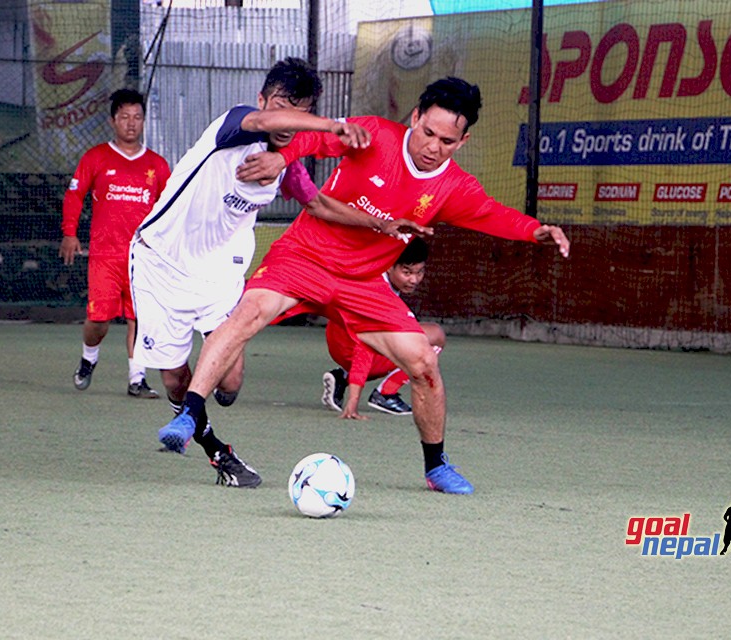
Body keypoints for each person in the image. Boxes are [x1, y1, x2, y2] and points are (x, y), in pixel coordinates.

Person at [160, 76, 570, 495]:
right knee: (248, 313)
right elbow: (313, 141)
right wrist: (283, 160)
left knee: (424, 362)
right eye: (428, 132)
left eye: (447, 141)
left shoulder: (453, 188)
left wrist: (535, 231)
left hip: (364, 282)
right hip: (306, 255)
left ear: (462, 142)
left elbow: (492, 214)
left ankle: (436, 466)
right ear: (415, 118)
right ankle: (190, 414)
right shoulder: (375, 134)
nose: (433, 147)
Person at [130, 57, 420, 487]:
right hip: (161, 262)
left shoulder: (285, 163)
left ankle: (202, 410)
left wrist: (381, 223)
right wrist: (330, 125)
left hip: (219, 273)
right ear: (263, 100)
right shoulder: (233, 126)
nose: (291, 121)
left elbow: (319, 204)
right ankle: (214, 447)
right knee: (174, 378)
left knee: (230, 382)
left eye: (301, 112)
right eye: (286, 106)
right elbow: (269, 120)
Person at [60, 88, 170, 399]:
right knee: (98, 319)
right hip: (104, 255)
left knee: (140, 318)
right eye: (125, 117)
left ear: (144, 121)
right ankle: (88, 359)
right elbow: (74, 195)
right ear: (113, 121)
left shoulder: (158, 165)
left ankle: (137, 378)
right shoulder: (96, 157)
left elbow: (171, 207)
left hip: (143, 257)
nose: (131, 123)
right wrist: (70, 233)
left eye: (137, 117)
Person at [320, 237, 445, 419]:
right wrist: (353, 401)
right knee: (435, 336)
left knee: (405, 335)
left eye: (419, 272)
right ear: (389, 266)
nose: (414, 280)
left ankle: (342, 378)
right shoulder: (380, 293)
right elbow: (365, 347)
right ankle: (385, 394)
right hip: (351, 348)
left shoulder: (374, 273)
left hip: (339, 342)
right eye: (407, 272)